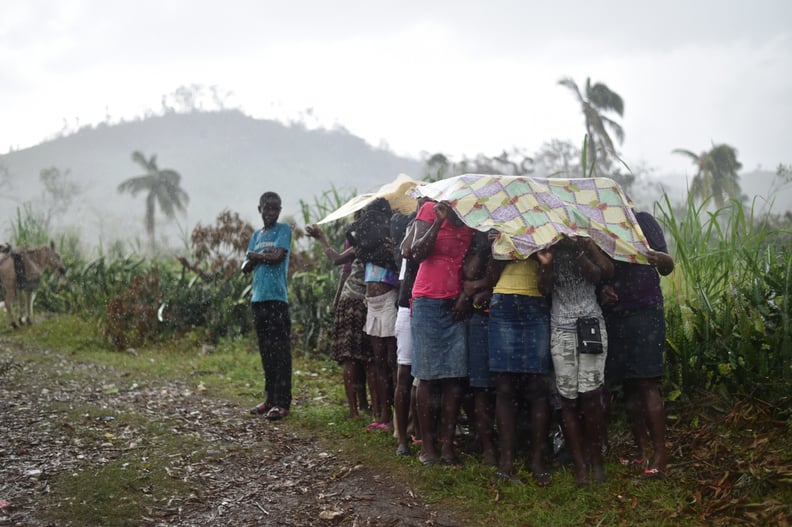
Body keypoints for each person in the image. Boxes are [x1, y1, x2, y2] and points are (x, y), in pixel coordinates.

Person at [601, 211, 674, 478]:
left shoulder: (643, 221)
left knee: (647, 382)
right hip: (615, 313)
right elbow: (600, 273)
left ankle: (660, 454)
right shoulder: (601, 226)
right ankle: (642, 451)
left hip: (645, 310)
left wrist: (658, 258)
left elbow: (667, 266)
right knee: (628, 384)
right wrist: (603, 290)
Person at [542, 236, 614, 486]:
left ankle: (597, 463)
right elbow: (545, 289)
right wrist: (548, 264)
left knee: (591, 397)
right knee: (568, 400)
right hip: (561, 328)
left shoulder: (585, 239)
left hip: (590, 323)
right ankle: (580, 466)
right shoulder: (546, 242)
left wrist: (582, 249)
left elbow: (601, 274)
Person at [408, 200, 475, 466]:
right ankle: (427, 447)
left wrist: (465, 296)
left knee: (454, 377)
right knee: (427, 376)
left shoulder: (473, 217)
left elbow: (472, 262)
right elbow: (417, 253)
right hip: (426, 300)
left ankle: (447, 447)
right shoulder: (430, 210)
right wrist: (438, 222)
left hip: (456, 304)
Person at [484, 251, 553, 486]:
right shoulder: (503, 225)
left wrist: (544, 260)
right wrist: (498, 251)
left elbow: (547, 287)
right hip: (503, 304)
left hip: (536, 305)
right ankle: (506, 460)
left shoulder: (547, 232)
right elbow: (491, 276)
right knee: (504, 385)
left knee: (537, 385)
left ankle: (536, 460)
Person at [305, 221, 372, 420]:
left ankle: (358, 408)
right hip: (362, 302)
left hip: (353, 300)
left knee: (354, 357)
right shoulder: (373, 244)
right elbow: (341, 265)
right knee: (359, 358)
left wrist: (322, 238)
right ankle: (361, 409)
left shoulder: (361, 244)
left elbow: (339, 264)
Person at [347, 198, 399, 432]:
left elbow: (397, 267)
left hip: (387, 300)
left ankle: (394, 417)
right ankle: (382, 415)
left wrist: (391, 251)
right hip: (373, 302)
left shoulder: (389, 240)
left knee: (389, 362)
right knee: (379, 362)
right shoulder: (369, 242)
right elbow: (351, 234)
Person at [242, 191, 293, 421]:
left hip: (277, 300)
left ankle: (282, 403)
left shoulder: (283, 230)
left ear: (279, 211)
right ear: (259, 209)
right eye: (267, 209)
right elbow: (245, 267)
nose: (270, 213)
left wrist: (255, 256)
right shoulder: (256, 235)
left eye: (275, 209)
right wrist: (260, 255)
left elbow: (278, 257)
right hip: (258, 300)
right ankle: (270, 398)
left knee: (281, 352)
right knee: (266, 352)